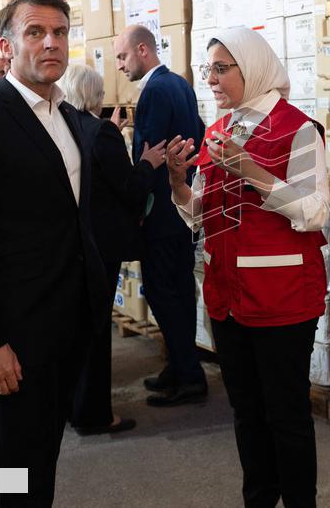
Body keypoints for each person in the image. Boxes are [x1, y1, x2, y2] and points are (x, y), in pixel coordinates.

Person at [0, 0, 108, 505]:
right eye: (35, 32)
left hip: (69, 321)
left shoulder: (69, 116)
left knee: (44, 464)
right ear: (7, 46)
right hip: (14, 334)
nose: (50, 43)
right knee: (19, 475)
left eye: (59, 32)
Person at [166, 26, 329, 507]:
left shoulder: (296, 129)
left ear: (253, 68)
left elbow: (317, 211)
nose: (211, 80)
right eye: (207, 70)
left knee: (286, 414)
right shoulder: (219, 129)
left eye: (221, 69)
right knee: (245, 412)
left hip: (282, 299)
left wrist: (254, 173)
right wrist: (179, 185)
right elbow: (203, 214)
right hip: (227, 298)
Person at [58, 64, 165, 436]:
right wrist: (149, 164)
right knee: (96, 330)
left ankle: (74, 406)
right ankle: (95, 414)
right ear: (94, 94)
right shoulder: (100, 131)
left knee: (76, 329)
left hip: (72, 244)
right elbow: (129, 187)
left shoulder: (64, 127)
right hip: (101, 245)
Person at [114, 24, 207, 407]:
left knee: (162, 291)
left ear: (143, 50)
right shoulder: (181, 84)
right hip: (180, 206)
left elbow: (148, 156)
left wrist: (136, 205)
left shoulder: (153, 91)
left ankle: (188, 375)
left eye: (122, 56)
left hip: (161, 211)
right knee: (180, 290)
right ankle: (180, 368)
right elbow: (197, 133)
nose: (119, 65)